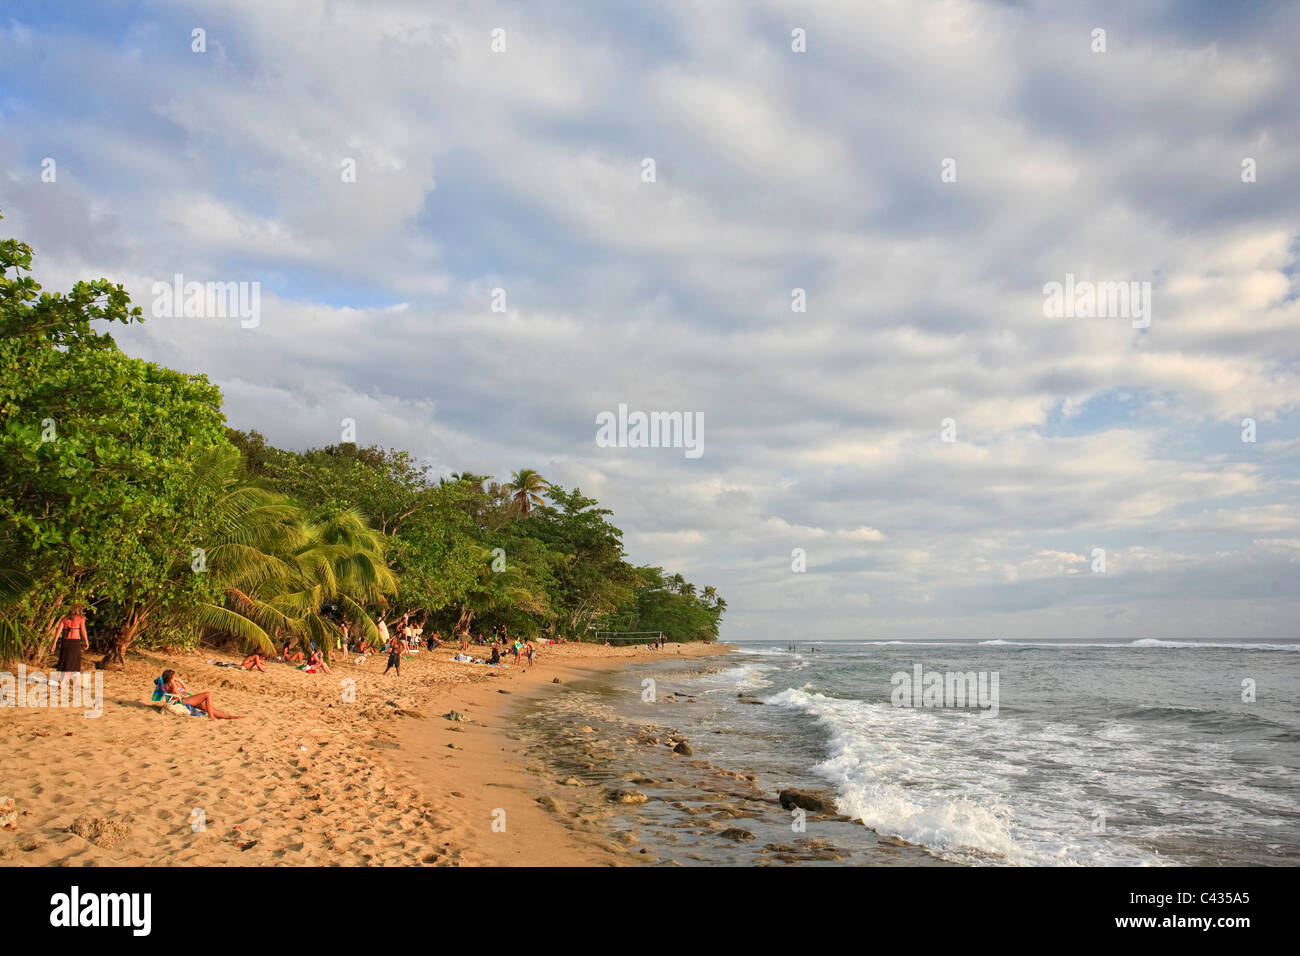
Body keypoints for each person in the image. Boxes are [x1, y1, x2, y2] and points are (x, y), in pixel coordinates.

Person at [153, 670, 241, 719]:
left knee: (207, 707)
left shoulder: (168, 684)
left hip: (185, 699)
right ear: (171, 677)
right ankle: (211, 716)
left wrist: (180, 681)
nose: (176, 678)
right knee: (208, 694)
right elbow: (176, 693)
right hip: (182, 701)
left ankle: (229, 717)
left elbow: (186, 690)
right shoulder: (170, 684)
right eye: (175, 676)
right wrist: (173, 682)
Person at [55, 602, 89, 676]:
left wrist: (54, 643)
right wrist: (86, 641)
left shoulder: (65, 619)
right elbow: (83, 630)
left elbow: (58, 631)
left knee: (65, 661)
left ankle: (65, 680)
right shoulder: (81, 619)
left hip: (65, 641)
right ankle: (63, 682)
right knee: (72, 662)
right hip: (75, 642)